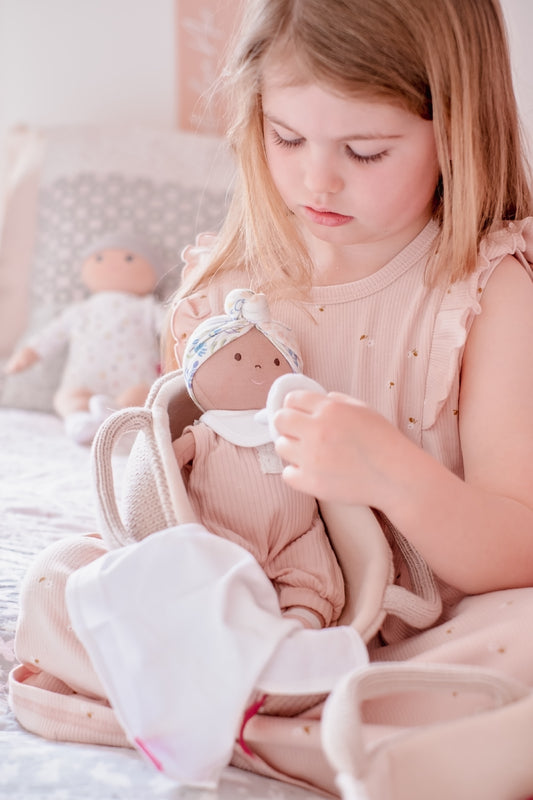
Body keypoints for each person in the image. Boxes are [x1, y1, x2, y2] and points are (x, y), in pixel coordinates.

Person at [9, 0, 533, 796]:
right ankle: (305, 724)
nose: (315, 177)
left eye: (365, 150)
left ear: (455, 131)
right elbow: (174, 503)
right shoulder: (219, 288)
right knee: (60, 581)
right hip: (247, 616)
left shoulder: (484, 293)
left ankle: (224, 715)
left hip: (412, 638)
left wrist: (390, 473)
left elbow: (517, 547)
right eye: (285, 137)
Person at [174, 287, 345, 630]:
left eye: (275, 362)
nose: (256, 366)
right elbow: (165, 462)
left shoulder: (287, 423)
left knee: (313, 573)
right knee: (215, 572)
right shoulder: (208, 433)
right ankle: (242, 627)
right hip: (226, 530)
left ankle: (300, 624)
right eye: (237, 359)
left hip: (297, 534)